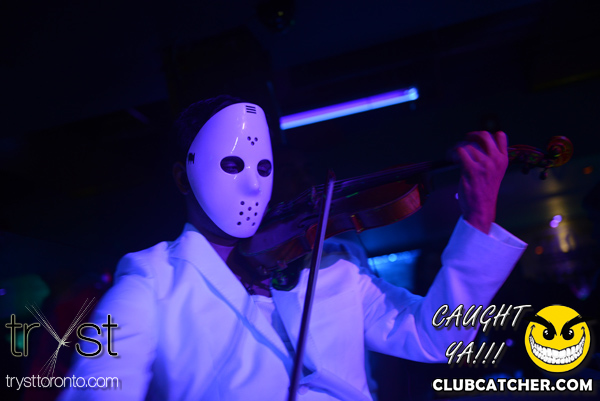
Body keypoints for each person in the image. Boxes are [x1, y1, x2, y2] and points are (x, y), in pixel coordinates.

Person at [59, 95, 526, 400]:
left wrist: (478, 219)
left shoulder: (330, 268)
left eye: (263, 169)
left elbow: (437, 338)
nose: (252, 184)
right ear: (183, 177)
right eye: (232, 165)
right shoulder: (148, 282)